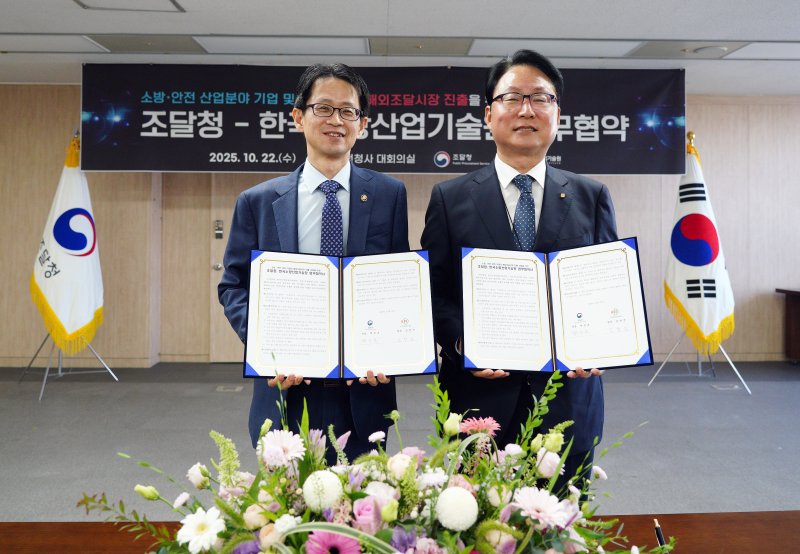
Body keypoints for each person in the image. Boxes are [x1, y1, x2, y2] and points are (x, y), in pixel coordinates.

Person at [421, 50, 618, 485]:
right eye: (512, 98)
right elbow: (433, 293)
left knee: (563, 520)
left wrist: (601, 343)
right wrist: (462, 341)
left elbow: (604, 292)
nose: (526, 110)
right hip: (477, 404)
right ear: (488, 115)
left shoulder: (592, 196)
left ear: (558, 114)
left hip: (567, 402)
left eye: (540, 98)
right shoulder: (450, 199)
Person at [219, 63, 409, 463]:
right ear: (298, 116)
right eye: (323, 108)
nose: (336, 120)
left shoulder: (389, 195)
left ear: (362, 124)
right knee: (286, 500)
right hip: (286, 388)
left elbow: (397, 283)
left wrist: (391, 348)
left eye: (348, 111)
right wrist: (266, 346)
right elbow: (233, 286)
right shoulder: (257, 202)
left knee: (365, 497)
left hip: (363, 392)